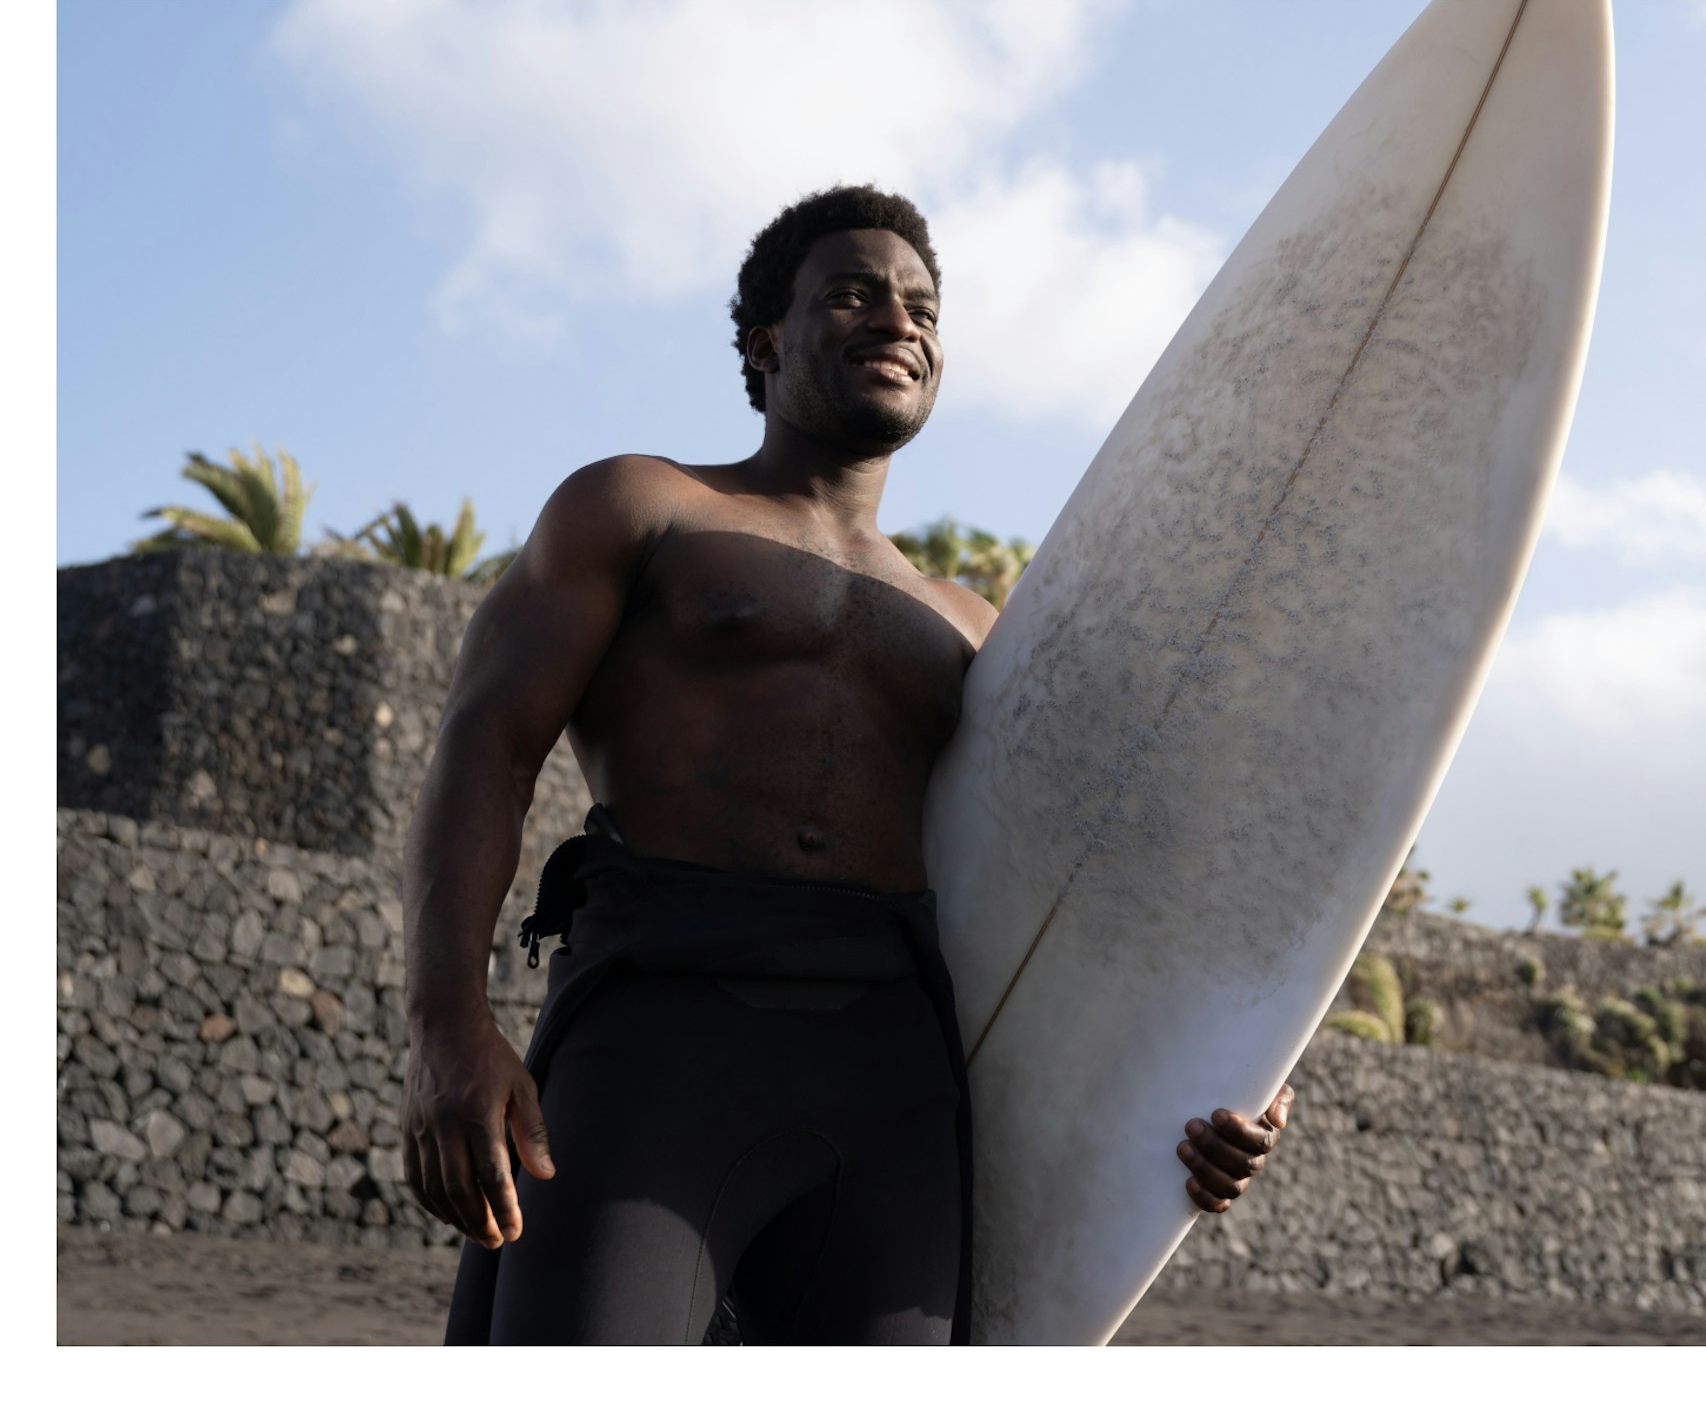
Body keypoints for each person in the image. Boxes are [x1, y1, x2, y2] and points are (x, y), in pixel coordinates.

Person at [403, 186, 1293, 1343]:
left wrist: (1244, 1072)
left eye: (924, 306)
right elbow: (487, 744)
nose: (899, 320)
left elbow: (1113, 883)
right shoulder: (638, 504)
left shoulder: (973, 628)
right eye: (856, 294)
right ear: (767, 342)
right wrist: (443, 1024)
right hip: (663, 1035)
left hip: (892, 1072)